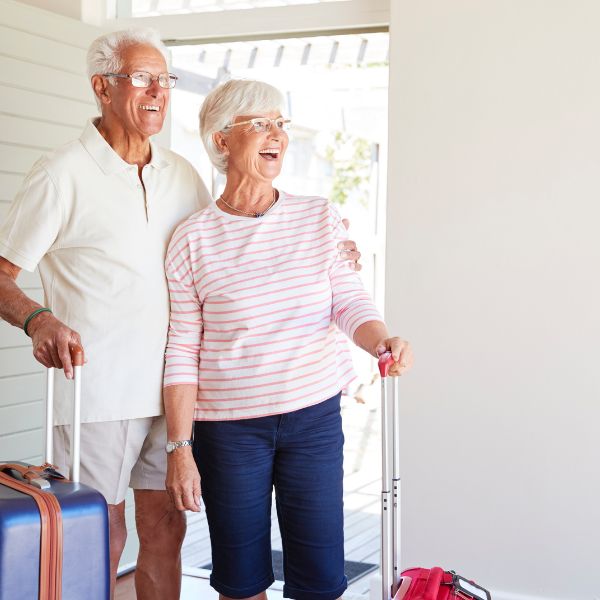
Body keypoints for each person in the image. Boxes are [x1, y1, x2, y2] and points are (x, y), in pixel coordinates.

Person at [0, 29, 362, 600]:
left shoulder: (181, 174)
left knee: (167, 530)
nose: (157, 92)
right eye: (141, 78)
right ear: (101, 86)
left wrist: (331, 252)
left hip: (180, 397)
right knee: (102, 534)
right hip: (99, 389)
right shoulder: (60, 174)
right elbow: (1, 274)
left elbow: (228, 247)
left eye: (164, 80)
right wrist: (38, 319)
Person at [163, 79, 414, 600]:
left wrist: (381, 340)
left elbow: (348, 301)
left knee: (321, 580)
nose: (276, 134)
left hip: (313, 419)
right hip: (228, 432)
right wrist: (180, 448)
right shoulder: (192, 238)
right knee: (240, 579)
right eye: (259, 123)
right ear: (221, 140)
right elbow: (182, 351)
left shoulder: (318, 215)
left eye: (281, 123)